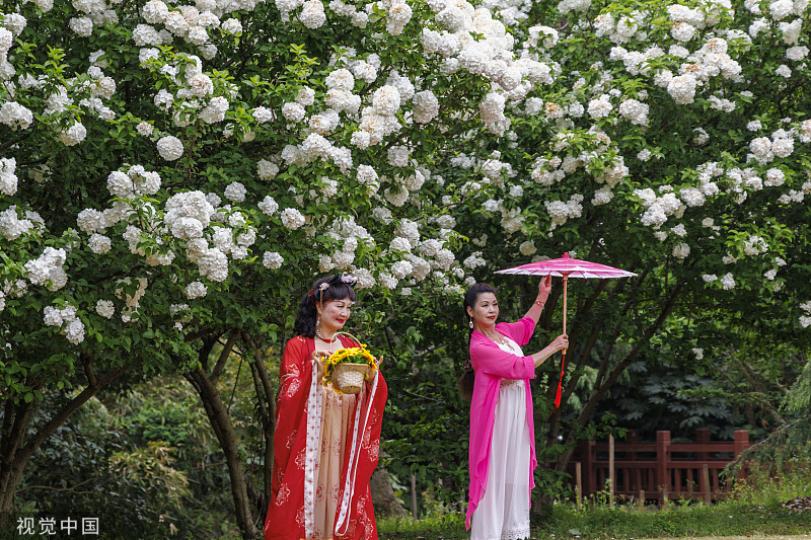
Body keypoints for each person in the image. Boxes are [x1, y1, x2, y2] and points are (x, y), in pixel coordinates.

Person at [264, 274, 387, 540]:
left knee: (343, 487)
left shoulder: (351, 345)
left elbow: (372, 388)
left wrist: (372, 377)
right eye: (339, 306)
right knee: (309, 492)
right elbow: (288, 391)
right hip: (311, 440)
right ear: (319, 306)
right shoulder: (298, 346)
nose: (345, 313)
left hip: (345, 435)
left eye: (349, 308)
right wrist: (314, 373)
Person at [463, 277, 568, 540]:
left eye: (495, 304)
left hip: (517, 414)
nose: (491, 310)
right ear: (470, 311)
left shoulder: (504, 333)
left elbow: (526, 326)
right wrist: (554, 347)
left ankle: (513, 534)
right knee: (494, 476)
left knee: (514, 473)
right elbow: (519, 368)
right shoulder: (479, 346)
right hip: (496, 417)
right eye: (485, 305)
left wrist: (542, 296)